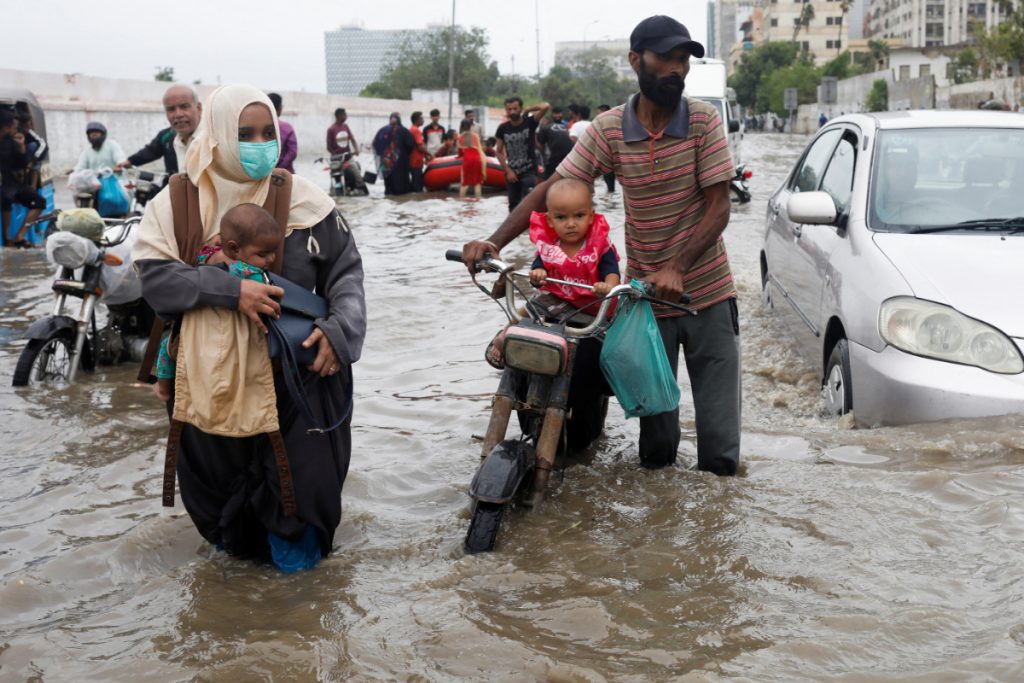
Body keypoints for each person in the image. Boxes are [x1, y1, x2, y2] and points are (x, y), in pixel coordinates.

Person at [463, 15, 740, 476]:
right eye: (665, 58)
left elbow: (719, 208)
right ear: (636, 61)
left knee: (720, 454)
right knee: (656, 451)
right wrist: (491, 241)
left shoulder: (703, 122)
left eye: (682, 60)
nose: (677, 68)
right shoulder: (611, 129)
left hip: (708, 296)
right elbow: (553, 188)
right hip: (645, 304)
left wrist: (677, 265)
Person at [133, 84, 366, 570]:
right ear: (216, 136)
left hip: (299, 383)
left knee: (301, 501)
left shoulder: (307, 202)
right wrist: (230, 289)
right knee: (223, 513)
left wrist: (341, 332)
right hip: (207, 382)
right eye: (245, 134)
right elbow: (156, 281)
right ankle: (240, 622)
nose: (261, 143)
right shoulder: (176, 203)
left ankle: (297, 616)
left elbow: (345, 275)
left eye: (267, 132)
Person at [153, 203, 283, 403]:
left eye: (273, 252)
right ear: (234, 248)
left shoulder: (207, 255)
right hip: (230, 335)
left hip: (197, 328)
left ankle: (163, 390)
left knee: (167, 349)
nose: (271, 259)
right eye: (263, 255)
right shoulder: (251, 274)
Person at [485, 177, 620, 368]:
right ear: (550, 220)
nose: (571, 224)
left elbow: (612, 272)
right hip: (558, 299)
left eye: (579, 216)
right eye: (562, 217)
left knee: (612, 345)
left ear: (591, 216)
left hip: (592, 305)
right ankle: (505, 333)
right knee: (531, 306)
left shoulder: (600, 245)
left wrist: (608, 286)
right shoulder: (550, 245)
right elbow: (538, 268)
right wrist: (538, 274)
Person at [116, 84, 202, 177]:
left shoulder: (213, 136)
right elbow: (151, 151)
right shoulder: (167, 136)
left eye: (184, 107)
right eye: (171, 109)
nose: (178, 114)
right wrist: (129, 162)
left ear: (198, 108)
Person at [0, 109, 46, 247]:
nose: (15, 129)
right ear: (5, 127)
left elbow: (21, 163)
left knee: (39, 201)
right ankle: (7, 238)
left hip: (10, 184)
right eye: (13, 126)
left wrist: (21, 148)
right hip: (3, 188)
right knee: (5, 197)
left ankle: (19, 236)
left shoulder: (11, 142)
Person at [495, 96, 549, 212]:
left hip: (529, 171)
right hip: (512, 173)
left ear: (520, 109)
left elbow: (546, 106)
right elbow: (499, 152)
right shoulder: (502, 129)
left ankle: (531, 228)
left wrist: (529, 110)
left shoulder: (530, 122)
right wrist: (508, 170)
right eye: (509, 109)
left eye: (515, 108)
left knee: (529, 203)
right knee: (513, 207)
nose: (512, 112)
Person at [372, 112, 414, 196]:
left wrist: (384, 155)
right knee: (402, 189)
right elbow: (410, 145)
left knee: (389, 189)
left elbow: (375, 144)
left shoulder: (382, 130)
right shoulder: (404, 131)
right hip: (401, 163)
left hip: (386, 163)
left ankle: (389, 197)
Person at [536, 110, 573, 181]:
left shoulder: (545, 128)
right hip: (569, 157)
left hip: (556, 157)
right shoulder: (563, 126)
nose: (540, 123)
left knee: (548, 178)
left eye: (542, 121)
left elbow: (541, 148)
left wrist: (533, 139)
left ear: (545, 121)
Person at [457, 119, 486, 200]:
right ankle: (478, 200)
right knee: (477, 183)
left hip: (467, 160)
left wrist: (459, 156)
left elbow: (459, 152)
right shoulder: (475, 136)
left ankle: (461, 201)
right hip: (477, 159)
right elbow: (479, 149)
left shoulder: (460, 137)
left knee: (465, 183)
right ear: (470, 126)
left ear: (461, 127)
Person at [267, 93, 297, 173]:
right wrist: (280, 167)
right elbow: (292, 152)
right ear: (280, 108)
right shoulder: (287, 128)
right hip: (285, 174)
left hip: (264, 173)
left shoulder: (257, 127)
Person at [595, 104, 616, 192]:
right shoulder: (605, 122)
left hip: (610, 156)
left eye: (599, 113)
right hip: (608, 156)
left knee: (609, 179)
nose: (597, 115)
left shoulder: (609, 123)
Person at [408, 111, 429, 192]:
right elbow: (420, 146)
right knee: (417, 186)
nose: (423, 120)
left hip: (414, 161)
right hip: (416, 161)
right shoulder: (416, 131)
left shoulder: (411, 129)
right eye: (421, 118)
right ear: (417, 120)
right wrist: (429, 154)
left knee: (415, 183)